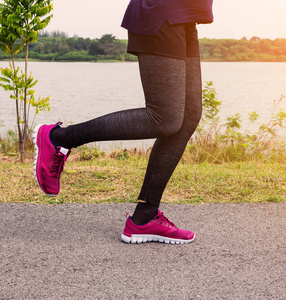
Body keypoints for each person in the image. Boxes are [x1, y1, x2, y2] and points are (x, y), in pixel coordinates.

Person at [33, 0, 214, 245]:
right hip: (163, 12)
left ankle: (145, 217)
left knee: (188, 117)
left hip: (185, 18)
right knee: (164, 117)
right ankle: (60, 138)